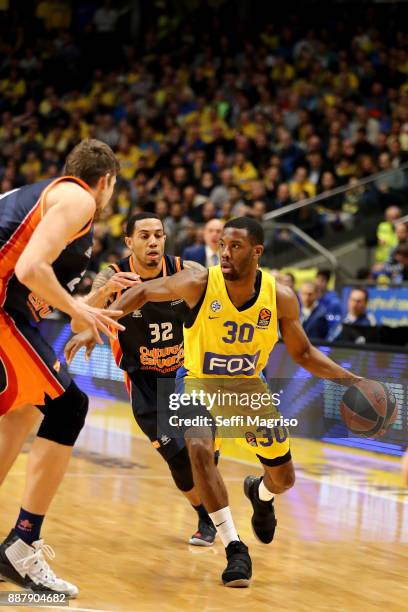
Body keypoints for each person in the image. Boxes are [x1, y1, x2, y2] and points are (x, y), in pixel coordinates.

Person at [100, 216, 360, 587]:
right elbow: (142, 293)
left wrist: (352, 380)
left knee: (284, 479)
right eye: (222, 245)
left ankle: (260, 493)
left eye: (234, 246)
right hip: (196, 381)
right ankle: (234, 546)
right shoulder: (200, 282)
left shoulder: (280, 297)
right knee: (199, 449)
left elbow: (303, 354)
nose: (224, 253)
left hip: (248, 388)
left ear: (257, 251)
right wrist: (99, 320)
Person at [0, 139, 123, 597]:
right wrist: (77, 308)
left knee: (28, 409)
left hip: (8, 309)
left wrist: (91, 303)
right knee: (69, 407)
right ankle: (22, 544)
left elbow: (31, 285)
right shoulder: (77, 197)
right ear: (106, 181)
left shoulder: (44, 198)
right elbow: (33, 267)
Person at [64, 213, 217, 546]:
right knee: (177, 459)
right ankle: (205, 516)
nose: (153, 242)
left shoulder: (185, 270)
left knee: (201, 450)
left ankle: (213, 509)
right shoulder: (113, 275)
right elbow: (79, 322)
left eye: (159, 235)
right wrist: (97, 309)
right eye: (145, 236)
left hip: (183, 374)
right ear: (128, 241)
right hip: (144, 381)